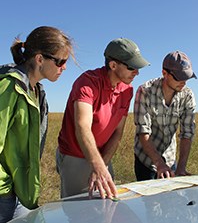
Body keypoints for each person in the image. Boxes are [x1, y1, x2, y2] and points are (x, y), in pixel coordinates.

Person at [56, 38, 149, 199]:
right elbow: (82, 127)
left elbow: (117, 132)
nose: (137, 73)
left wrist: (103, 163)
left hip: (101, 156)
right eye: (132, 67)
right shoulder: (87, 82)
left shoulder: (127, 90)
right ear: (113, 65)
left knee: (107, 202)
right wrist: (97, 166)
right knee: (78, 208)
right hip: (75, 154)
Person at [0, 26, 73, 223]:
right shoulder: (8, 86)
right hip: (4, 194)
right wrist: (4, 188)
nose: (64, 67)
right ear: (40, 59)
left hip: (20, 192)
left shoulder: (37, 92)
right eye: (61, 61)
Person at [134, 50, 197, 181]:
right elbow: (143, 131)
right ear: (165, 73)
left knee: (171, 199)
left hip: (170, 158)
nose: (183, 82)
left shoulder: (187, 95)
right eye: (179, 77)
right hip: (146, 160)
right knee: (148, 198)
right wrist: (159, 164)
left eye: (186, 77)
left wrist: (181, 167)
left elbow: (187, 133)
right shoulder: (145, 91)